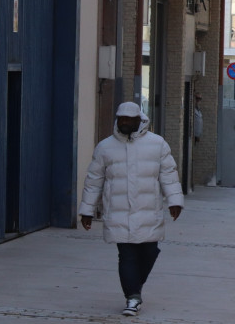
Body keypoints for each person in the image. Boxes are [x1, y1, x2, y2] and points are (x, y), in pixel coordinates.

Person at [78, 102, 184, 317]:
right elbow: (93, 180)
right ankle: (132, 297)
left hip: (149, 210)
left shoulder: (158, 144)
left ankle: (134, 285)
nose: (124, 122)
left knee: (149, 252)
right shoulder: (105, 147)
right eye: (121, 119)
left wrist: (175, 201)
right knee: (126, 255)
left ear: (139, 120)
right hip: (118, 211)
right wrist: (87, 210)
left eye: (129, 119)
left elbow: (169, 175)